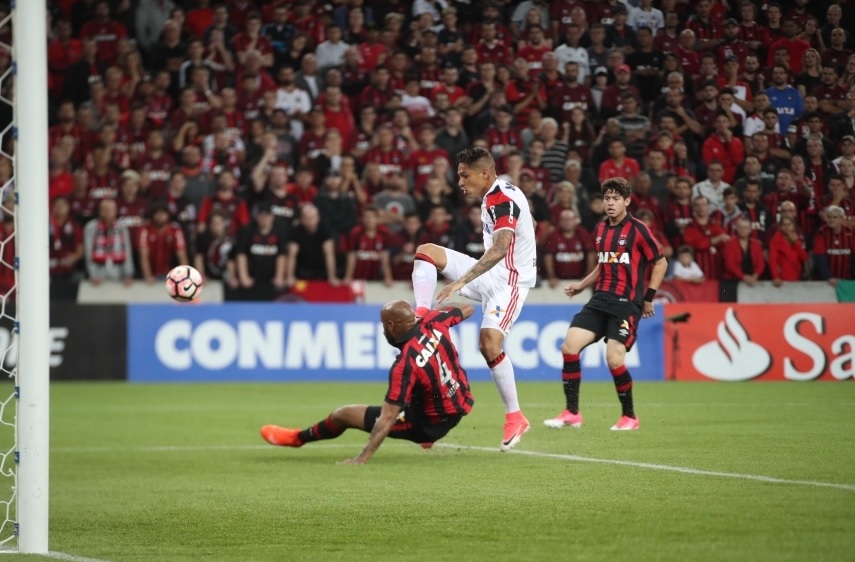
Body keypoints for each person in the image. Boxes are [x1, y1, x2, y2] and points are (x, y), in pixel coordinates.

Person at [411, 147, 534, 451]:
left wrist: (460, 282)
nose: (460, 182)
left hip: (509, 282)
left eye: (465, 176)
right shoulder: (491, 195)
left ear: (485, 173)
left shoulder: (503, 200)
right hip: (490, 274)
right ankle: (421, 317)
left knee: (489, 344)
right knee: (427, 251)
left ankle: (515, 415)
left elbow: (500, 248)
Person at [260, 300, 475, 464]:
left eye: (383, 326)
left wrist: (362, 457)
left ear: (391, 326)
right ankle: (422, 420)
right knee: (422, 390)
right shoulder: (434, 321)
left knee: (342, 415)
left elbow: (387, 417)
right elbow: (467, 308)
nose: (382, 331)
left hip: (428, 425)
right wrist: (434, 309)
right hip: (461, 402)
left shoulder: (405, 364)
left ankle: (297, 438)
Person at [545, 177, 667, 431]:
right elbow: (604, 264)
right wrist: (580, 285)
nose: (610, 203)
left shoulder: (638, 229)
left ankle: (630, 417)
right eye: (607, 199)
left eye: (615, 199)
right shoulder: (601, 229)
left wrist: (648, 298)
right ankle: (572, 413)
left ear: (627, 201)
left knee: (614, 359)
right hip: (599, 300)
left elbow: (660, 262)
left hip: (626, 303)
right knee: (569, 347)